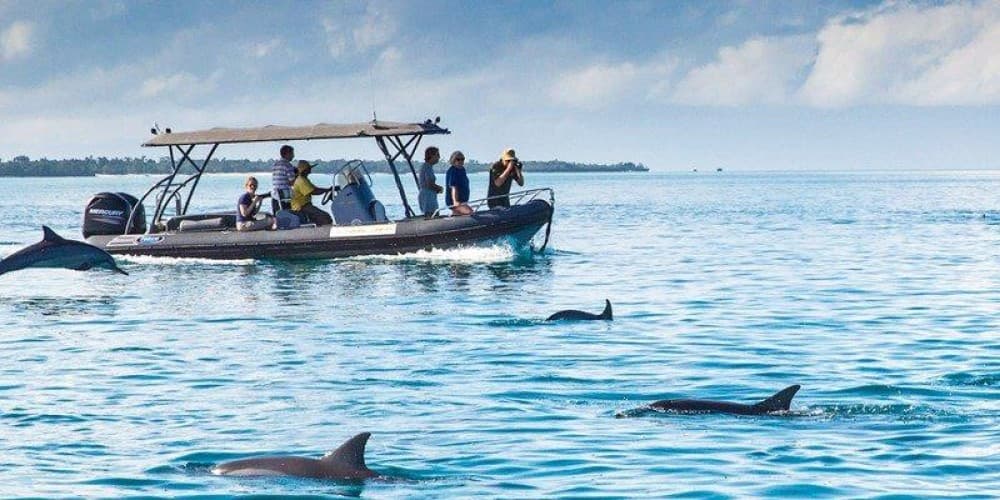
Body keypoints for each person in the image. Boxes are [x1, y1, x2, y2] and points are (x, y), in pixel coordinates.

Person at [291, 160, 333, 225]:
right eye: (308, 168)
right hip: (301, 207)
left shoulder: (304, 179)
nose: (310, 170)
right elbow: (313, 192)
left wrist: (328, 189)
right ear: (305, 170)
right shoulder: (301, 180)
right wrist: (326, 190)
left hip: (306, 205)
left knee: (323, 216)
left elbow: (315, 189)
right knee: (325, 217)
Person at [445, 151, 473, 216]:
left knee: (464, 214)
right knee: (470, 212)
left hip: (463, 201)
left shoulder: (462, 170)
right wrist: (455, 201)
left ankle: (454, 215)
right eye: (458, 159)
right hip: (454, 201)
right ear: (453, 160)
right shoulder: (452, 171)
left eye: (462, 159)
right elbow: (453, 187)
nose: (461, 161)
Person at [417, 146, 444, 216]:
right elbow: (429, 184)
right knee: (432, 215)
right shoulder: (427, 167)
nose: (439, 157)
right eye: (437, 155)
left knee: (431, 214)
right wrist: (439, 188)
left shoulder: (427, 166)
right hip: (428, 196)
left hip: (428, 195)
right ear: (431, 155)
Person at [271, 144, 296, 211]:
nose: (293, 156)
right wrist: (298, 176)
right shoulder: (288, 165)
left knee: (277, 216)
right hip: (284, 197)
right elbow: (292, 182)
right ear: (287, 154)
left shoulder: (276, 164)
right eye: (292, 153)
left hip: (275, 196)